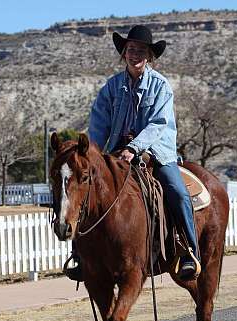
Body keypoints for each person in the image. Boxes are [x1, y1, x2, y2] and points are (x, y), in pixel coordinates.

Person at [67, 25, 200, 282]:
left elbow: (159, 123)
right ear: (124, 53)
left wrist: (135, 148)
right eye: (130, 49)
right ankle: (81, 255)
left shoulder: (161, 86)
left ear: (149, 55)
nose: (135, 54)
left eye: (141, 50)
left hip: (155, 152)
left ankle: (188, 250)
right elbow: (99, 122)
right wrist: (92, 153)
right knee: (85, 190)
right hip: (117, 154)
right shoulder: (112, 87)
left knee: (176, 190)